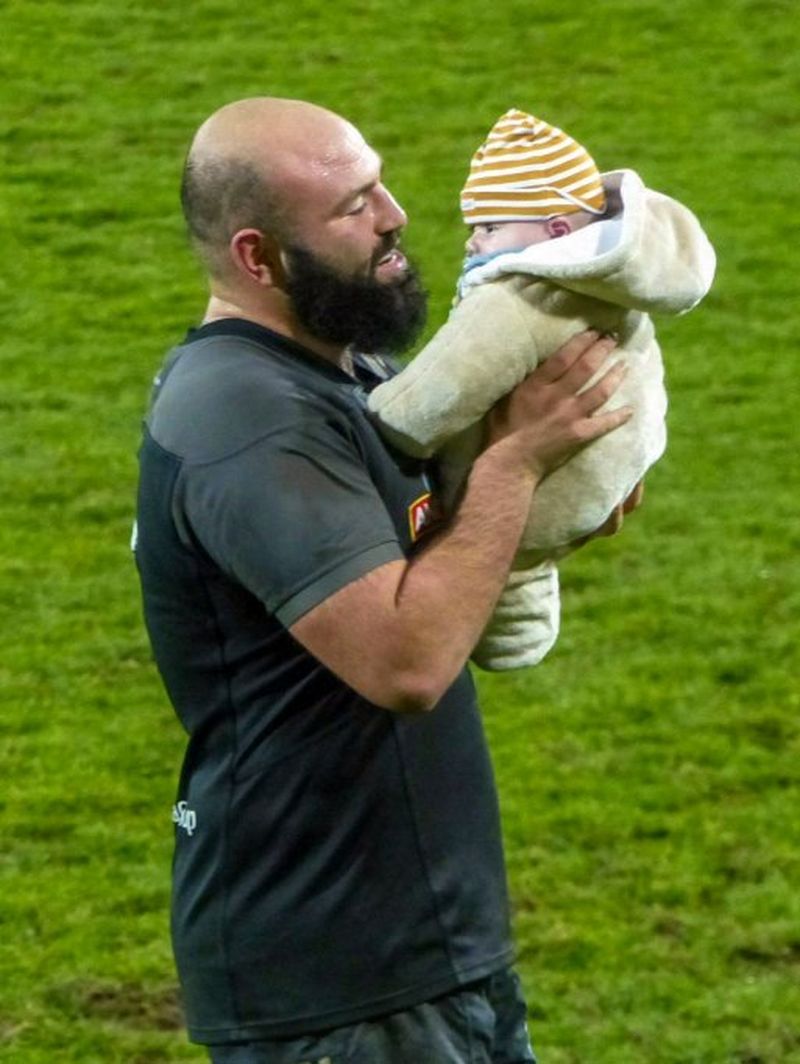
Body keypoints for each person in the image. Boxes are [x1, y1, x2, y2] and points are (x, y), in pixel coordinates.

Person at [133, 96, 637, 1064]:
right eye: (352, 205)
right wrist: (510, 470)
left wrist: (550, 507)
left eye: (379, 181)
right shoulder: (248, 416)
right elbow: (405, 659)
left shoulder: (351, 372)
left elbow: (439, 560)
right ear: (258, 256)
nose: (395, 213)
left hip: (423, 947)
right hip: (339, 976)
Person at [368, 108, 716, 670]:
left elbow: (427, 403)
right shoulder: (615, 286)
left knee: (511, 569)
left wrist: (381, 416)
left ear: (555, 231)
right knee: (528, 577)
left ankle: (513, 627)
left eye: (489, 228)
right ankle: (524, 624)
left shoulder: (520, 302)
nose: (473, 243)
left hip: (540, 499)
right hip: (612, 472)